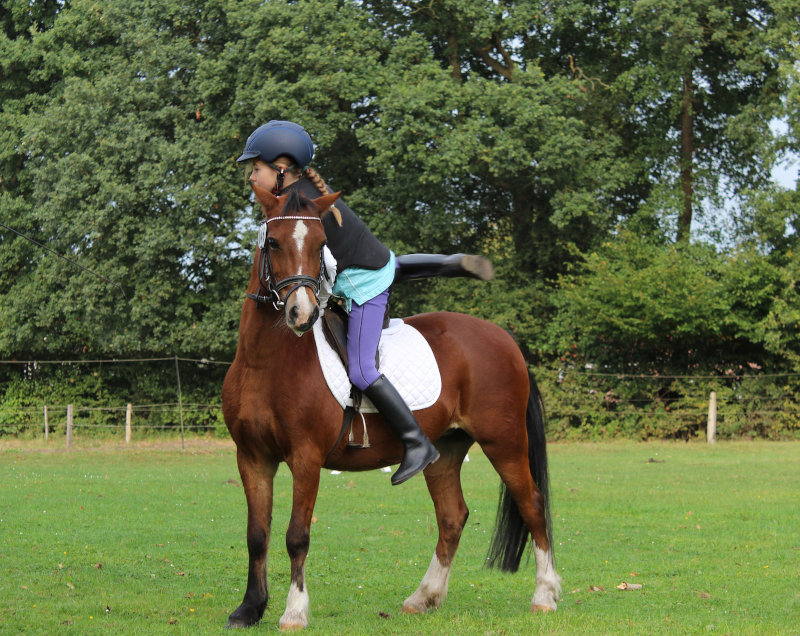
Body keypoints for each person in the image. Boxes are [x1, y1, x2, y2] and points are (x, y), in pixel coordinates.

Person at [236, 120, 493, 485]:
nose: (251, 177)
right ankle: (449, 262)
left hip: (364, 288)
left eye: (255, 169)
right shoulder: (296, 198)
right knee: (393, 266)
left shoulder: (303, 207)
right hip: (370, 264)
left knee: (361, 369)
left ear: (280, 169)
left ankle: (417, 442)